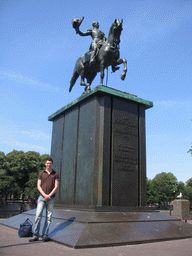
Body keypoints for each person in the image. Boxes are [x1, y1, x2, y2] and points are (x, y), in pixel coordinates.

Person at [29, 157, 59, 242]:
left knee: (48, 218)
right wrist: (44, 195)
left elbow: (56, 186)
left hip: (51, 198)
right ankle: (35, 235)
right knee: (38, 216)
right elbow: (38, 185)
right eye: (47, 163)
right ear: (45, 164)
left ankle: (45, 235)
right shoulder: (41, 173)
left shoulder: (55, 174)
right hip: (42, 197)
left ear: (52, 164)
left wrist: (49, 195)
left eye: (50, 163)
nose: (48, 165)